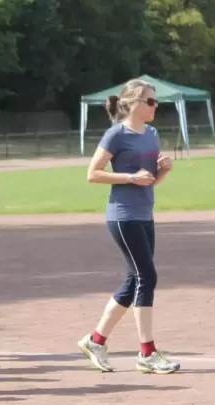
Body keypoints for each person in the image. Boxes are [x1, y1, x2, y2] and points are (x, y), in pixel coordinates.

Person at [76, 79, 180, 375]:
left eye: (156, 101)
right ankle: (147, 353)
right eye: (150, 101)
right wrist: (130, 178)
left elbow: (151, 180)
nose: (155, 106)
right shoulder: (116, 135)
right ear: (133, 103)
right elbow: (93, 174)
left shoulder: (152, 134)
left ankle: (95, 341)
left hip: (145, 213)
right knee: (147, 275)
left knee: (135, 280)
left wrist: (163, 172)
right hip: (123, 216)